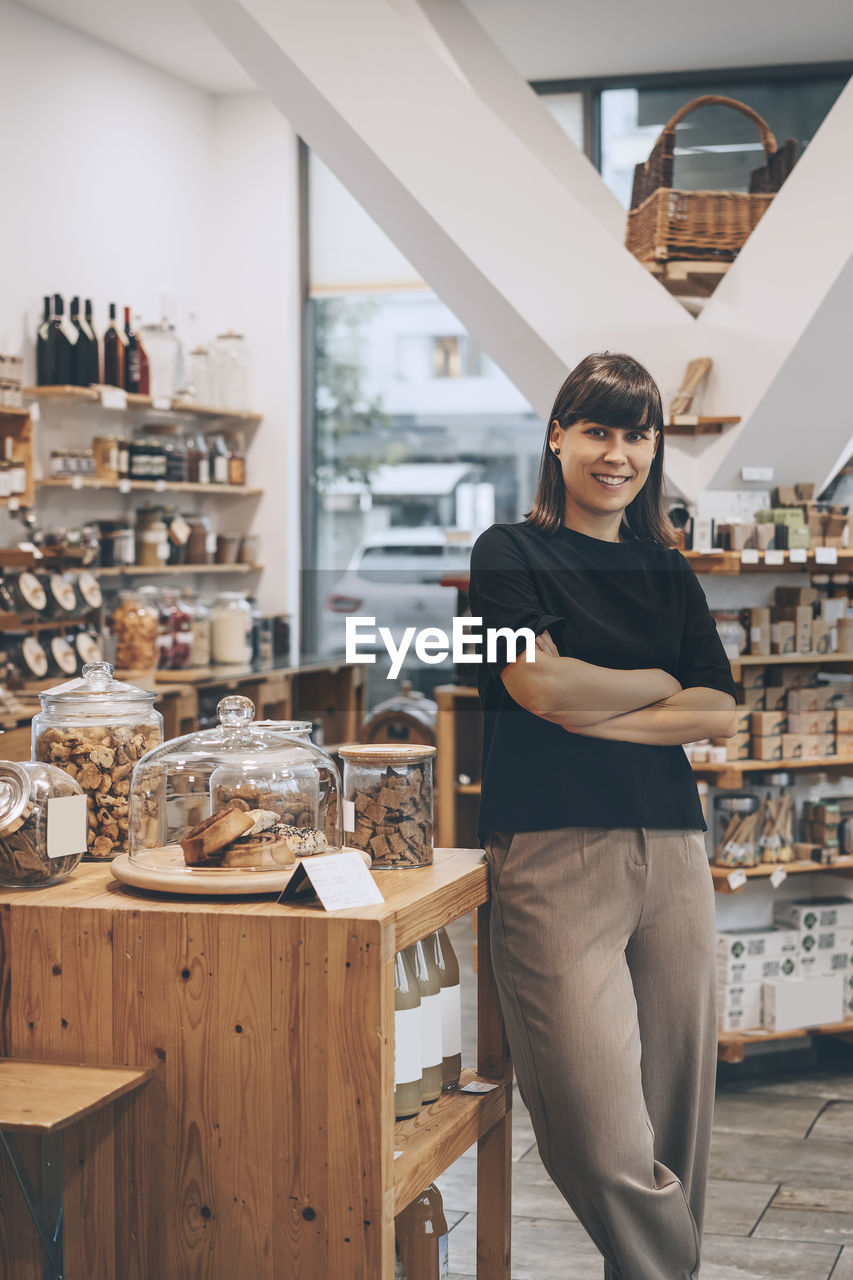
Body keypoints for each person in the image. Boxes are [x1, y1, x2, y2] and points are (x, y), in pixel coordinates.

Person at [467, 352, 737, 1280]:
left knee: (677, 1110)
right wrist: (660, 686)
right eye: (596, 429)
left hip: (672, 855)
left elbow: (720, 712)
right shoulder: (506, 554)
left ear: (652, 447)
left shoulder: (667, 569)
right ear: (557, 435)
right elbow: (534, 683)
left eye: (634, 433)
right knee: (592, 1121)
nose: (614, 453)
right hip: (549, 851)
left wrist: (598, 707)